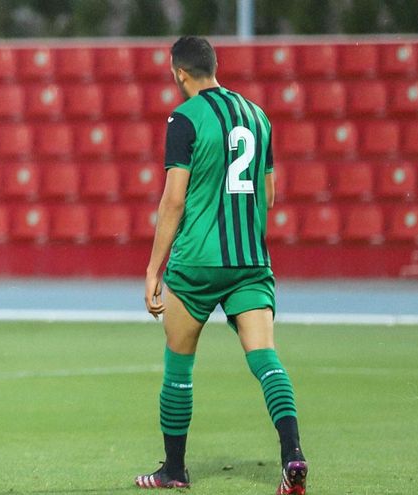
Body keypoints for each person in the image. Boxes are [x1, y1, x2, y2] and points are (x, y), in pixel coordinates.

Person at [137, 37, 307, 494]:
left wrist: (155, 268)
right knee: (266, 360)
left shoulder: (184, 118)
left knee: (178, 367)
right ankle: (293, 457)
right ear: (214, 66)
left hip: (196, 265)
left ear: (179, 73)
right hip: (249, 261)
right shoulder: (258, 115)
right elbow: (268, 196)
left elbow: (174, 199)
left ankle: (174, 470)